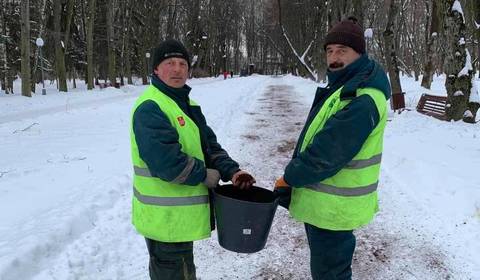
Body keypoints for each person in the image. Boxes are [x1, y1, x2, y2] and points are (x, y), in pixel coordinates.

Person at [274, 17, 391, 280]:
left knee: (331, 274)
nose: (334, 57)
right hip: (326, 206)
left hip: (334, 209)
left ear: (359, 53)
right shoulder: (344, 87)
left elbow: (326, 154)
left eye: (343, 51)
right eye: (330, 51)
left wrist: (289, 178)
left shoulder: (362, 97)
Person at [130, 39, 256, 280]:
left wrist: (233, 172)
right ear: (156, 69)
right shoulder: (151, 107)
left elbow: (210, 147)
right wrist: (204, 175)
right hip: (164, 221)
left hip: (178, 220)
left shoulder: (187, 104)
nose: (177, 69)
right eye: (169, 63)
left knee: (185, 272)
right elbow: (166, 162)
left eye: (182, 63)